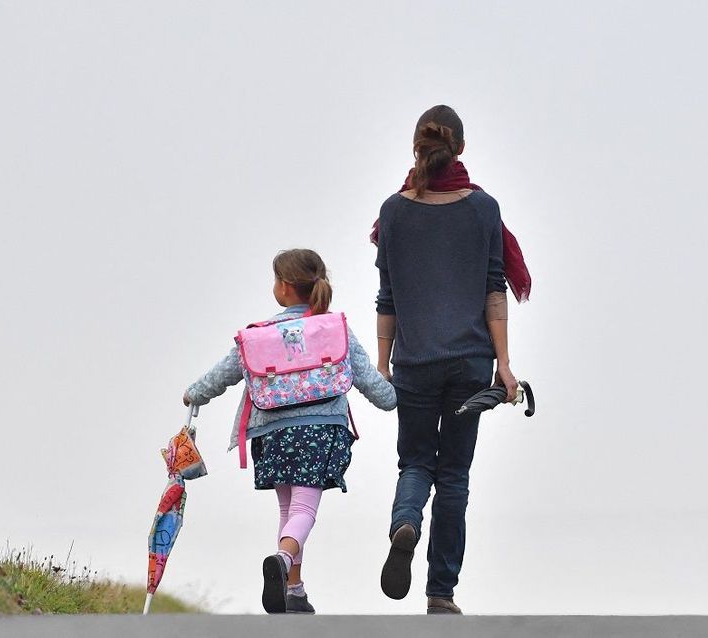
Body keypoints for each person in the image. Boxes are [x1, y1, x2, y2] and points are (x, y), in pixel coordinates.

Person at [183, 248, 396, 615]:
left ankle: (294, 589)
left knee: (287, 509)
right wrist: (398, 395)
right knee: (304, 511)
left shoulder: (260, 336)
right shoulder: (336, 329)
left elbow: (223, 373)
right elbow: (379, 391)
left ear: (283, 287)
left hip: (274, 431)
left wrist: (193, 394)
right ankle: (283, 560)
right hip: (320, 430)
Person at [374, 105, 520, 615]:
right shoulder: (484, 210)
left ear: (416, 147)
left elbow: (387, 297)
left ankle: (405, 522)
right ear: (460, 148)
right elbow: (494, 290)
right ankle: (441, 593)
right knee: (454, 474)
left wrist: (384, 362)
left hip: (415, 362)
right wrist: (504, 364)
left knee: (415, 461)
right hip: (470, 364)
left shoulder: (392, 213)